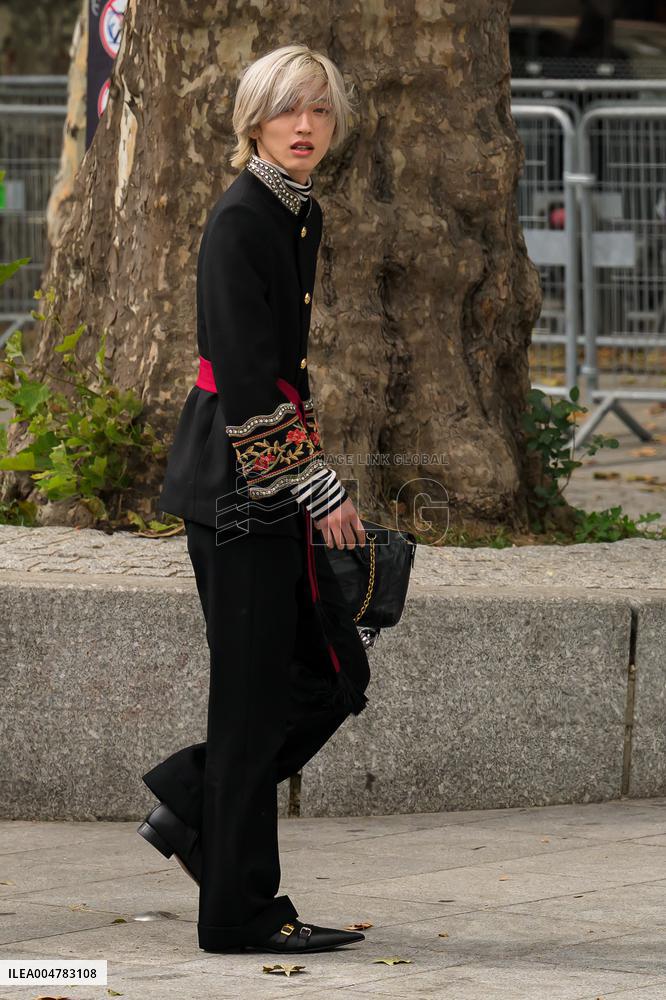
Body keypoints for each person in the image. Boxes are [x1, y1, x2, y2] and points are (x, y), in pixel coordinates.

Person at [137, 44, 371, 956]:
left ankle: (197, 805)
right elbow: (244, 380)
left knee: (328, 678)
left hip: (264, 479)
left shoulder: (295, 210)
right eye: (286, 110)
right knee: (253, 702)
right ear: (254, 122)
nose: (304, 125)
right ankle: (239, 911)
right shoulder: (245, 217)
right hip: (238, 487)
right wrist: (320, 491)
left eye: (318, 109)